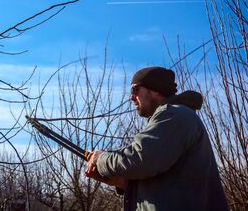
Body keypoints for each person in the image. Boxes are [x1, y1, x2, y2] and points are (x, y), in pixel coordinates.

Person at [85, 66, 228, 211]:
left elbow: (140, 159)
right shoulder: (173, 119)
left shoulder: (175, 116)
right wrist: (123, 182)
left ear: (156, 90)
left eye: (135, 90)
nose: (131, 97)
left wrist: (100, 159)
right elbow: (166, 184)